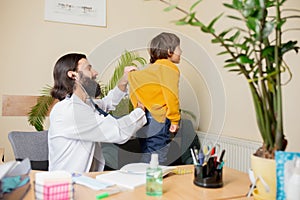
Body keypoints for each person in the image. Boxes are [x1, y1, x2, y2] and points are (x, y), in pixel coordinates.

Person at [48, 53, 147, 172]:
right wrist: (140, 111)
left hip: (87, 180)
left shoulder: (84, 105)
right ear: (73, 75)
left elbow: (106, 103)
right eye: (89, 68)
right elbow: (118, 131)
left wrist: (123, 82)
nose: (95, 73)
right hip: (68, 185)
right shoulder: (70, 112)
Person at [128, 32, 182, 164]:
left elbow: (133, 82)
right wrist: (175, 120)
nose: (181, 51)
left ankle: (142, 182)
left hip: (144, 118)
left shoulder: (149, 70)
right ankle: (154, 184)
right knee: (158, 158)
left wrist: (138, 107)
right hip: (159, 119)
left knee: (147, 155)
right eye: (178, 48)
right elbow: (171, 95)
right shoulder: (169, 68)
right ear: (169, 51)